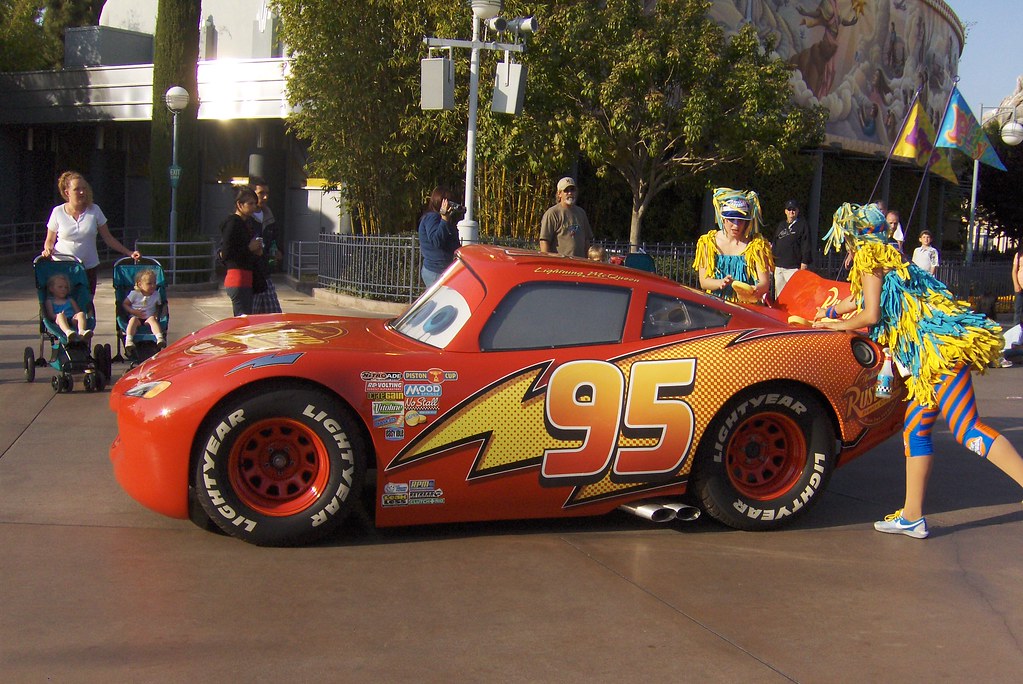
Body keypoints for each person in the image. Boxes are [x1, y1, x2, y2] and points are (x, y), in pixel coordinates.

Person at [812, 202, 1023, 538]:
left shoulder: (868, 257)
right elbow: (862, 299)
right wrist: (833, 311)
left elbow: (870, 316)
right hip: (930, 359)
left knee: (967, 429)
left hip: (938, 354)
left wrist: (833, 327)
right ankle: (912, 516)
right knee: (915, 431)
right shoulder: (889, 255)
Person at [42, 170, 141, 297]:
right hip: (63, 266)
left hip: (88, 267)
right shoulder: (58, 212)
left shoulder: (94, 210)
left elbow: (108, 238)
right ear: (67, 193)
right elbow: (50, 239)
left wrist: (129, 253)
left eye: (84, 188)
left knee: (85, 304)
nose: (82, 192)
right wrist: (47, 249)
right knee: (65, 304)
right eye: (77, 189)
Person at [693, 187, 773, 303]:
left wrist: (755, 289)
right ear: (723, 219)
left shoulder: (757, 245)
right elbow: (704, 281)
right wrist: (720, 282)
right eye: (732, 219)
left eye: (740, 220)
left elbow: (764, 283)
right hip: (717, 308)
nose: (736, 225)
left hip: (746, 309)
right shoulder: (708, 243)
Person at [219, 185, 263, 316]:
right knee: (242, 319)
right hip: (237, 277)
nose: (254, 207)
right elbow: (226, 253)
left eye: (255, 203)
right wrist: (249, 248)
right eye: (250, 203)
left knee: (246, 317)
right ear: (239, 204)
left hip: (246, 277)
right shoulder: (233, 223)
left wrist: (256, 252)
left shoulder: (247, 223)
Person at [249, 176, 283, 314]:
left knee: (274, 314)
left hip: (265, 273)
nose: (265, 197)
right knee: (250, 317)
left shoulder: (269, 216)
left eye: (267, 193)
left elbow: (275, 240)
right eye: (261, 193)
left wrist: (278, 252)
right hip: (251, 275)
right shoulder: (245, 220)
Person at [539, 177, 593, 258]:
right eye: (566, 191)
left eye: (572, 190)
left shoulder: (581, 213)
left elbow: (587, 240)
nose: (570, 193)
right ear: (559, 194)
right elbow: (544, 241)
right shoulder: (552, 213)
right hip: (560, 265)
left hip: (580, 263)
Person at [418, 186, 460, 287]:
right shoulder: (432, 218)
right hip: (435, 271)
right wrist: (444, 219)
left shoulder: (441, 219)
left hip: (444, 269)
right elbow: (436, 241)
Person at [772, 199, 813, 296]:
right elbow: (775, 242)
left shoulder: (803, 225)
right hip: (779, 266)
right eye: (789, 209)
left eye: (794, 209)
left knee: (794, 293)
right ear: (785, 211)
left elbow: (806, 244)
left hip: (793, 268)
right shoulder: (781, 225)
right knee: (779, 294)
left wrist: (804, 263)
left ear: (797, 211)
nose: (791, 212)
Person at [122, 268, 165, 352]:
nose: (153, 285)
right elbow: (125, 304)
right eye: (149, 283)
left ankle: (159, 338)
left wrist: (156, 314)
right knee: (132, 320)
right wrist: (133, 311)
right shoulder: (135, 294)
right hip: (136, 316)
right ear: (140, 285)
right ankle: (129, 340)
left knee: (152, 320)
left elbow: (158, 306)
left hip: (149, 317)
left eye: (154, 283)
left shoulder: (156, 294)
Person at [44, 273, 90, 342]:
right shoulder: (50, 301)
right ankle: (68, 332)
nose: (63, 289)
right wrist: (61, 316)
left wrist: (77, 316)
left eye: (66, 287)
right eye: (60, 287)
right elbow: (51, 316)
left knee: (81, 314)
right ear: (51, 289)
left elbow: (77, 311)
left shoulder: (70, 300)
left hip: (72, 320)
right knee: (60, 315)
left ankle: (82, 331)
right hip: (59, 322)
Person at [1013, 243, 1023, 328]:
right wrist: (1016, 284)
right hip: (1020, 287)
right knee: (1018, 310)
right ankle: (1016, 332)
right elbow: (1014, 271)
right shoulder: (1019, 255)